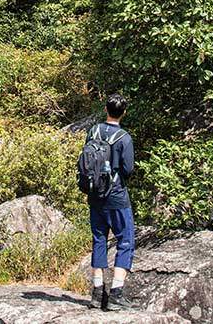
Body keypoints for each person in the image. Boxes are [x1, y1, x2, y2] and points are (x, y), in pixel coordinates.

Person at [87, 93, 135, 311]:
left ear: (106, 109)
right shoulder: (123, 137)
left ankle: (97, 294)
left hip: (95, 195)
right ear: (123, 113)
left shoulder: (93, 131)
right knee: (125, 240)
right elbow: (127, 169)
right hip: (116, 197)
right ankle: (116, 293)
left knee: (99, 240)